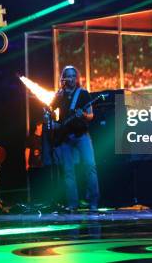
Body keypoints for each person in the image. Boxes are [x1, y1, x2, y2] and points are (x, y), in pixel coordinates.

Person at [49, 66, 100, 212]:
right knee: (68, 171)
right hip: (65, 137)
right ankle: (73, 204)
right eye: (68, 76)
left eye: (73, 76)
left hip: (82, 135)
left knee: (90, 166)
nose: (71, 79)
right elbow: (50, 110)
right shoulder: (60, 95)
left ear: (76, 78)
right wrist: (54, 124)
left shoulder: (83, 94)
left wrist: (83, 115)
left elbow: (91, 115)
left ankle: (93, 203)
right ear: (63, 78)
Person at [25, 122, 45, 204]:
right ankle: (34, 202)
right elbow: (27, 150)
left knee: (43, 184)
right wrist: (27, 163)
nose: (43, 128)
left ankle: (43, 201)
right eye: (41, 126)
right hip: (33, 165)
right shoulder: (31, 138)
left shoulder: (44, 138)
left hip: (43, 165)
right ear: (37, 126)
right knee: (34, 185)